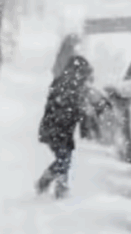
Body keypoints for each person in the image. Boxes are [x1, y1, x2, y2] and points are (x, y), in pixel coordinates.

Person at [36, 55, 92, 199]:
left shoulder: (68, 83)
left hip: (60, 129)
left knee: (64, 157)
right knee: (63, 158)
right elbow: (64, 107)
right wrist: (78, 113)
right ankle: (52, 184)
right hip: (57, 128)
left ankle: (56, 184)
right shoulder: (66, 85)